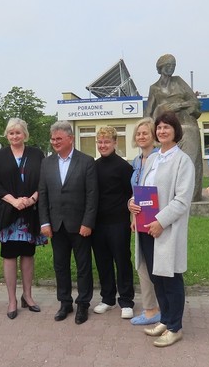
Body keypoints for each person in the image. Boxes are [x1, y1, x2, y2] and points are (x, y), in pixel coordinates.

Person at [128, 111, 194, 347]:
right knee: (157, 277)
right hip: (147, 228)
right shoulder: (154, 158)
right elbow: (142, 189)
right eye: (159, 127)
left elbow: (182, 200)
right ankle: (165, 319)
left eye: (167, 127)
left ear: (176, 131)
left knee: (171, 278)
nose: (162, 131)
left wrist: (160, 221)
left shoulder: (182, 161)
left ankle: (175, 328)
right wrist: (132, 203)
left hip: (166, 229)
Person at [38, 120, 98, 325]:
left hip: (80, 225)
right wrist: (44, 222)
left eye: (59, 138)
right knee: (60, 266)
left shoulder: (86, 162)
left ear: (70, 139)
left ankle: (83, 304)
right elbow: (43, 194)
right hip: (56, 225)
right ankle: (65, 303)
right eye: (52, 139)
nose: (55, 142)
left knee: (83, 266)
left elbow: (92, 196)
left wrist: (88, 222)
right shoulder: (46, 163)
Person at [0, 118, 46, 320]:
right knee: (10, 255)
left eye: (18, 133)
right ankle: (12, 300)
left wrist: (32, 199)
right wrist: (14, 201)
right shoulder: (0, 156)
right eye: (11, 133)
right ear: (7, 135)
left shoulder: (37, 154)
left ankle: (27, 296)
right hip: (8, 213)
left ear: (25, 134)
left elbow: (44, 180)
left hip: (30, 212)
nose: (14, 136)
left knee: (28, 255)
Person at [146, 53, 204, 202]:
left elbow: (195, 103)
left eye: (173, 65)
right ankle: (170, 197)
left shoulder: (179, 81)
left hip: (187, 125)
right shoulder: (154, 88)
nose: (171, 68)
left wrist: (181, 105)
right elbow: (148, 114)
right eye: (168, 65)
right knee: (168, 165)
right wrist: (163, 109)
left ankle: (192, 196)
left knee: (190, 160)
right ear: (160, 68)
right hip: (166, 130)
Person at [91, 126, 135, 319]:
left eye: (107, 142)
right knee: (103, 262)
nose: (103, 145)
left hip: (118, 223)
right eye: (100, 142)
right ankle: (107, 298)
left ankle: (126, 301)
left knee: (122, 261)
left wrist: (131, 218)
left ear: (115, 143)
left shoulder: (124, 167)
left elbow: (131, 195)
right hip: (98, 224)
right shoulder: (93, 166)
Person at [128, 117, 161, 326]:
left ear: (153, 135)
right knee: (142, 264)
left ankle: (161, 308)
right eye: (138, 133)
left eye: (145, 133)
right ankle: (150, 309)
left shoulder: (160, 159)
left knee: (158, 265)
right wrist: (131, 209)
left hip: (157, 221)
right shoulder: (136, 160)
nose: (141, 136)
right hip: (140, 219)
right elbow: (135, 191)